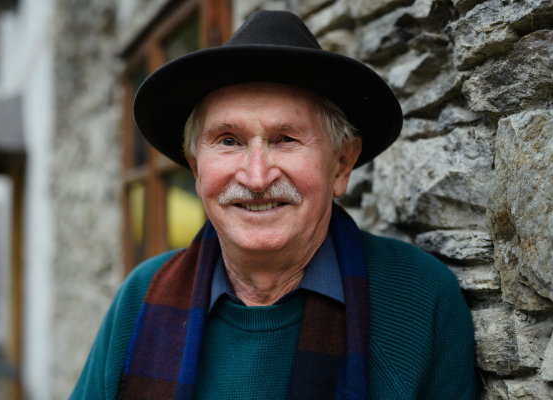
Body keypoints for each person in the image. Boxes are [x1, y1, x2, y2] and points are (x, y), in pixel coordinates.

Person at [70, 10, 477, 400]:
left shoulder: (421, 301)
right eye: (228, 140)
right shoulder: (141, 298)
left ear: (341, 164)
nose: (257, 176)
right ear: (196, 168)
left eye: (286, 139)